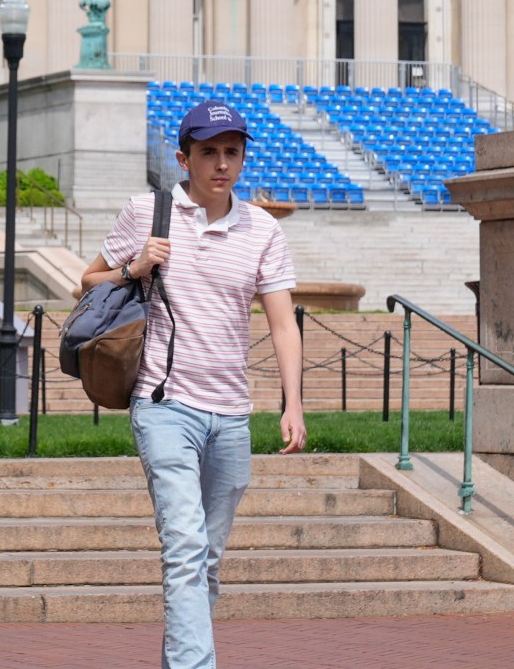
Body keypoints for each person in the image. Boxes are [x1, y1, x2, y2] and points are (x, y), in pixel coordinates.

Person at [84, 99, 302, 669]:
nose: (222, 163)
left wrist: (292, 403)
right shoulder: (147, 211)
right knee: (184, 547)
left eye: (232, 151)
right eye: (209, 152)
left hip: (231, 414)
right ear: (185, 158)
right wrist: (133, 267)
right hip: (164, 404)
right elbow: (86, 282)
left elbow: (282, 323)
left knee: (206, 559)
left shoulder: (262, 229)